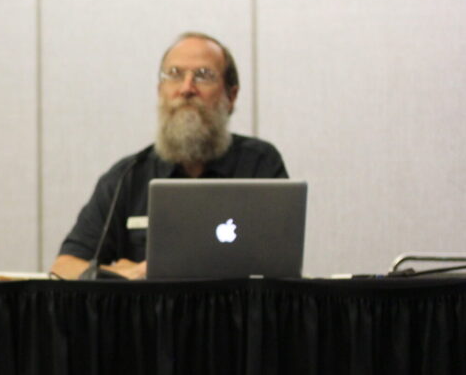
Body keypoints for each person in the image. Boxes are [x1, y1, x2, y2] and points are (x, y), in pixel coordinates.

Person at [51, 32, 288, 280]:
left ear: (232, 95)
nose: (187, 88)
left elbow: (283, 268)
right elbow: (63, 267)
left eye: (203, 75)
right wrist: (124, 273)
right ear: (160, 90)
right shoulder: (129, 175)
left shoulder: (260, 165)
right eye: (174, 74)